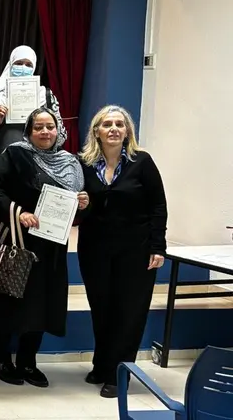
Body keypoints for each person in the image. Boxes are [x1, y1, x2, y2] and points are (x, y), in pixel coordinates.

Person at [0, 107, 89, 388]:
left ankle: (28, 361)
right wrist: (17, 212)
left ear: (58, 131)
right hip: (17, 239)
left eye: (50, 127)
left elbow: (74, 206)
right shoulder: (14, 154)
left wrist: (82, 204)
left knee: (43, 302)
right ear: (28, 131)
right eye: (38, 127)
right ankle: (1, 359)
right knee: (10, 300)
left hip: (51, 244)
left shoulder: (71, 163)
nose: (45, 132)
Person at [77, 105, 167, 398]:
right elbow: (84, 211)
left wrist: (158, 246)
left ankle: (121, 372)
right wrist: (81, 205)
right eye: (107, 124)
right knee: (102, 309)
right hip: (95, 249)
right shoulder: (84, 164)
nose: (114, 128)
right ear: (97, 132)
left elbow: (158, 206)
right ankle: (102, 363)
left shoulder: (142, 162)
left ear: (127, 131)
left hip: (136, 250)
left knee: (129, 312)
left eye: (120, 124)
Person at [0, 45, 64, 171]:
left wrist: (43, 126)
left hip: (36, 169)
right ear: (10, 65)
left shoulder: (45, 96)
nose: (23, 68)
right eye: (19, 63)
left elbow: (61, 136)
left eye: (28, 65)